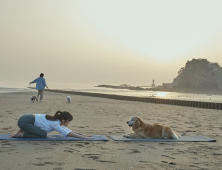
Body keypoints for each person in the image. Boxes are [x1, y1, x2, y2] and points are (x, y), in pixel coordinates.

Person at [9, 111, 93, 139]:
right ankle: (21, 134)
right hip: (25, 121)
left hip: (26, 119)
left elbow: (69, 131)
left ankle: (23, 130)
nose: (68, 123)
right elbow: (67, 134)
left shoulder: (57, 121)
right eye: (68, 121)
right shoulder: (55, 124)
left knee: (41, 133)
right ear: (63, 120)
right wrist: (83, 138)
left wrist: (84, 135)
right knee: (42, 135)